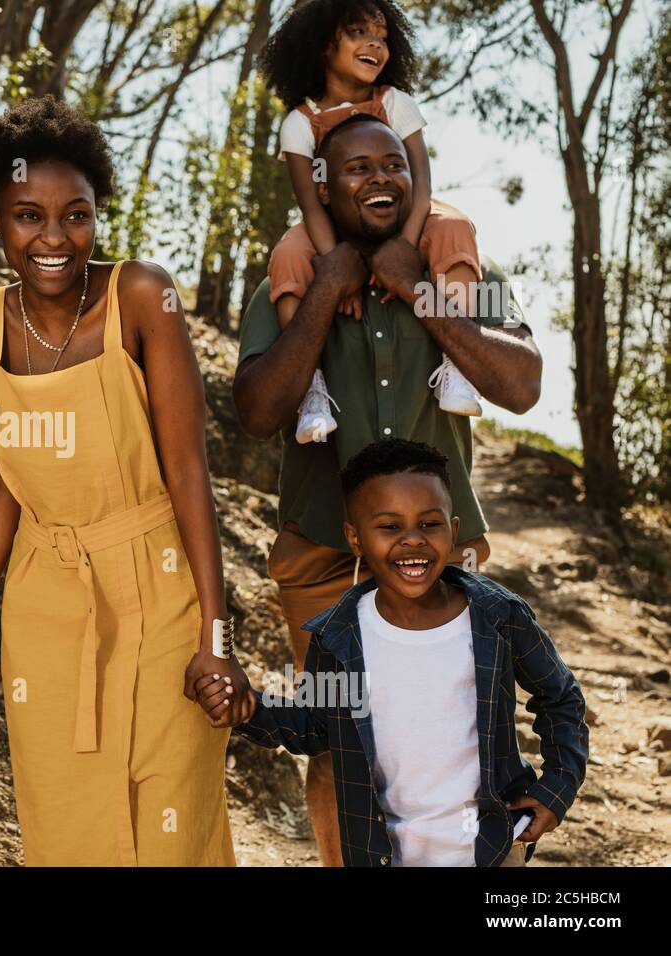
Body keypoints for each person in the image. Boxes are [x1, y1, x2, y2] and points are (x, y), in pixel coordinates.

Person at [0, 96, 247, 866]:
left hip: (161, 590)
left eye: (76, 215)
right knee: (68, 824)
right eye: (28, 216)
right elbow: (1, 487)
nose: (53, 237)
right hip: (46, 607)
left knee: (172, 815)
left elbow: (187, 470)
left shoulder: (142, 295)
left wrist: (216, 636)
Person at [231, 113, 544, 865]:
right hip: (321, 548)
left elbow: (524, 385)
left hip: (437, 550)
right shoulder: (294, 276)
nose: (379, 179)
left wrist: (419, 293)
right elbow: (257, 411)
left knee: (449, 730)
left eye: (392, 166)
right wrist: (326, 291)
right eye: (357, 170)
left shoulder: (457, 268)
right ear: (324, 193)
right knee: (340, 734)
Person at [194, 439, 589, 867]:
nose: (412, 541)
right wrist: (250, 710)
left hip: (490, 850)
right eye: (389, 527)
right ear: (356, 539)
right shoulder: (336, 636)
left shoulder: (498, 617)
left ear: (453, 531)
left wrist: (556, 788)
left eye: (429, 524)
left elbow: (560, 696)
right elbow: (315, 726)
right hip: (382, 855)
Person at [261, 0, 485, 442]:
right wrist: (336, 270)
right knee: (288, 254)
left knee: (456, 227)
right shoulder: (300, 124)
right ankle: (312, 390)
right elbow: (311, 206)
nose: (375, 45)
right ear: (325, 44)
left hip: (404, 216)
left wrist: (404, 244)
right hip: (334, 226)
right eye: (360, 33)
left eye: (382, 38)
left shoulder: (395, 103)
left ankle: (457, 362)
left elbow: (421, 181)